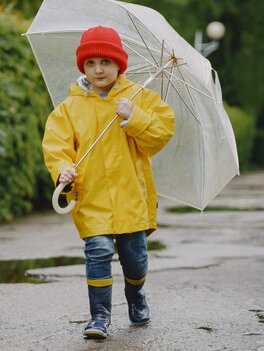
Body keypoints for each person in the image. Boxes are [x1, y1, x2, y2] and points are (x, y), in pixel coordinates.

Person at [42, 26, 175, 339]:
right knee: (98, 252)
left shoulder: (140, 97)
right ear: (83, 67)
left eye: (105, 61)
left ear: (119, 65)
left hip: (132, 196)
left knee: (135, 258)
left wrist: (134, 117)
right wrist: (63, 169)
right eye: (90, 63)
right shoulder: (69, 109)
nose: (98, 69)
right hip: (92, 197)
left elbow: (160, 134)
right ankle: (99, 316)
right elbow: (56, 145)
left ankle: (136, 295)